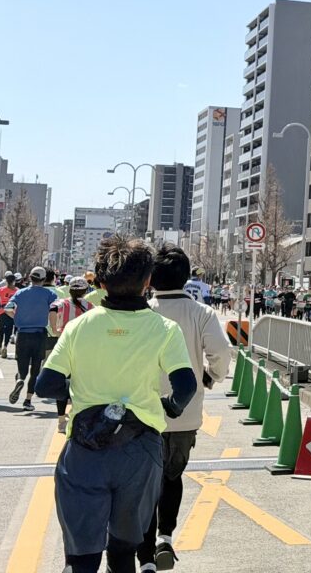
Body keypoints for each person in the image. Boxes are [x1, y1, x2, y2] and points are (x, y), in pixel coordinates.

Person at [34, 235, 197, 573]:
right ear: (147, 281)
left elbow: (46, 384)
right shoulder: (164, 329)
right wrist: (171, 406)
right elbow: (186, 386)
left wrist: (79, 387)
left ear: (102, 282)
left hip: (84, 447)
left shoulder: (79, 327)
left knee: (81, 554)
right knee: (124, 549)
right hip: (141, 450)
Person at [137, 243, 231, 573]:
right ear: (187, 276)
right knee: (173, 477)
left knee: (145, 482)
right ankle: (166, 536)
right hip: (185, 413)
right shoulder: (201, 313)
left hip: (144, 411)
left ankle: (146, 555)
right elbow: (221, 352)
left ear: (150, 278)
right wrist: (209, 377)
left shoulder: (143, 311)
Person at [5, 266, 56, 411]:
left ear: (30, 278)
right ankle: (27, 401)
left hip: (22, 334)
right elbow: (55, 309)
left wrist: (17, 317)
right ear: (44, 279)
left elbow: (8, 308)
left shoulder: (20, 293)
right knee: (35, 369)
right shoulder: (49, 294)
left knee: (22, 366)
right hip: (40, 334)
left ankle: (20, 379)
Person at [48, 276, 92, 433]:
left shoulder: (62, 303)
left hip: (63, 345)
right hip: (83, 348)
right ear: (86, 290)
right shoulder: (90, 306)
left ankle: (61, 419)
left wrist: (54, 329)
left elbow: (52, 310)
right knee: (79, 382)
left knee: (63, 382)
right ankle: (75, 416)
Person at [0, 272, 18, 358]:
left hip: (1, 312)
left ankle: (0, 348)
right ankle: (4, 346)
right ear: (13, 282)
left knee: (1, 329)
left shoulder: (0, 290)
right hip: (10, 313)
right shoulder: (17, 291)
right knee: (8, 330)